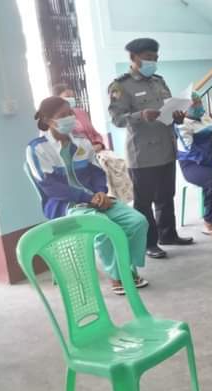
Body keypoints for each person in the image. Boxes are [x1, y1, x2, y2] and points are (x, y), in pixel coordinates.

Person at [27, 96, 149, 295]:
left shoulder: (82, 142)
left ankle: (126, 266)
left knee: (137, 222)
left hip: (95, 199)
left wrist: (100, 192)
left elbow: (97, 171)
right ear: (49, 121)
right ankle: (118, 276)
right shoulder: (37, 148)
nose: (70, 118)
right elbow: (50, 186)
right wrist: (87, 198)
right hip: (65, 205)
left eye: (70, 113)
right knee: (103, 227)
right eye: (63, 115)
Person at [108, 38, 193, 259]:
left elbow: (168, 109)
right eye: (147, 58)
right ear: (133, 58)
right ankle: (148, 243)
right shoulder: (121, 86)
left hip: (166, 147)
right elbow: (117, 119)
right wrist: (140, 115)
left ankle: (168, 234)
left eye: (155, 58)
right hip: (142, 154)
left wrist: (177, 116)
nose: (152, 62)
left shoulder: (158, 81)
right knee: (144, 202)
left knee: (166, 196)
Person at [175, 92, 212, 236]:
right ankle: (209, 220)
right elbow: (189, 149)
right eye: (194, 103)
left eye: (199, 102)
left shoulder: (205, 117)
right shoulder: (181, 124)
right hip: (192, 164)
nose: (198, 105)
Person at [52, 83, 106, 151]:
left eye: (72, 96)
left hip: (97, 151)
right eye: (67, 96)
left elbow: (95, 134)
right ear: (57, 99)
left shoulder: (81, 112)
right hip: (80, 154)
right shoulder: (60, 121)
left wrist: (99, 144)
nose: (71, 99)